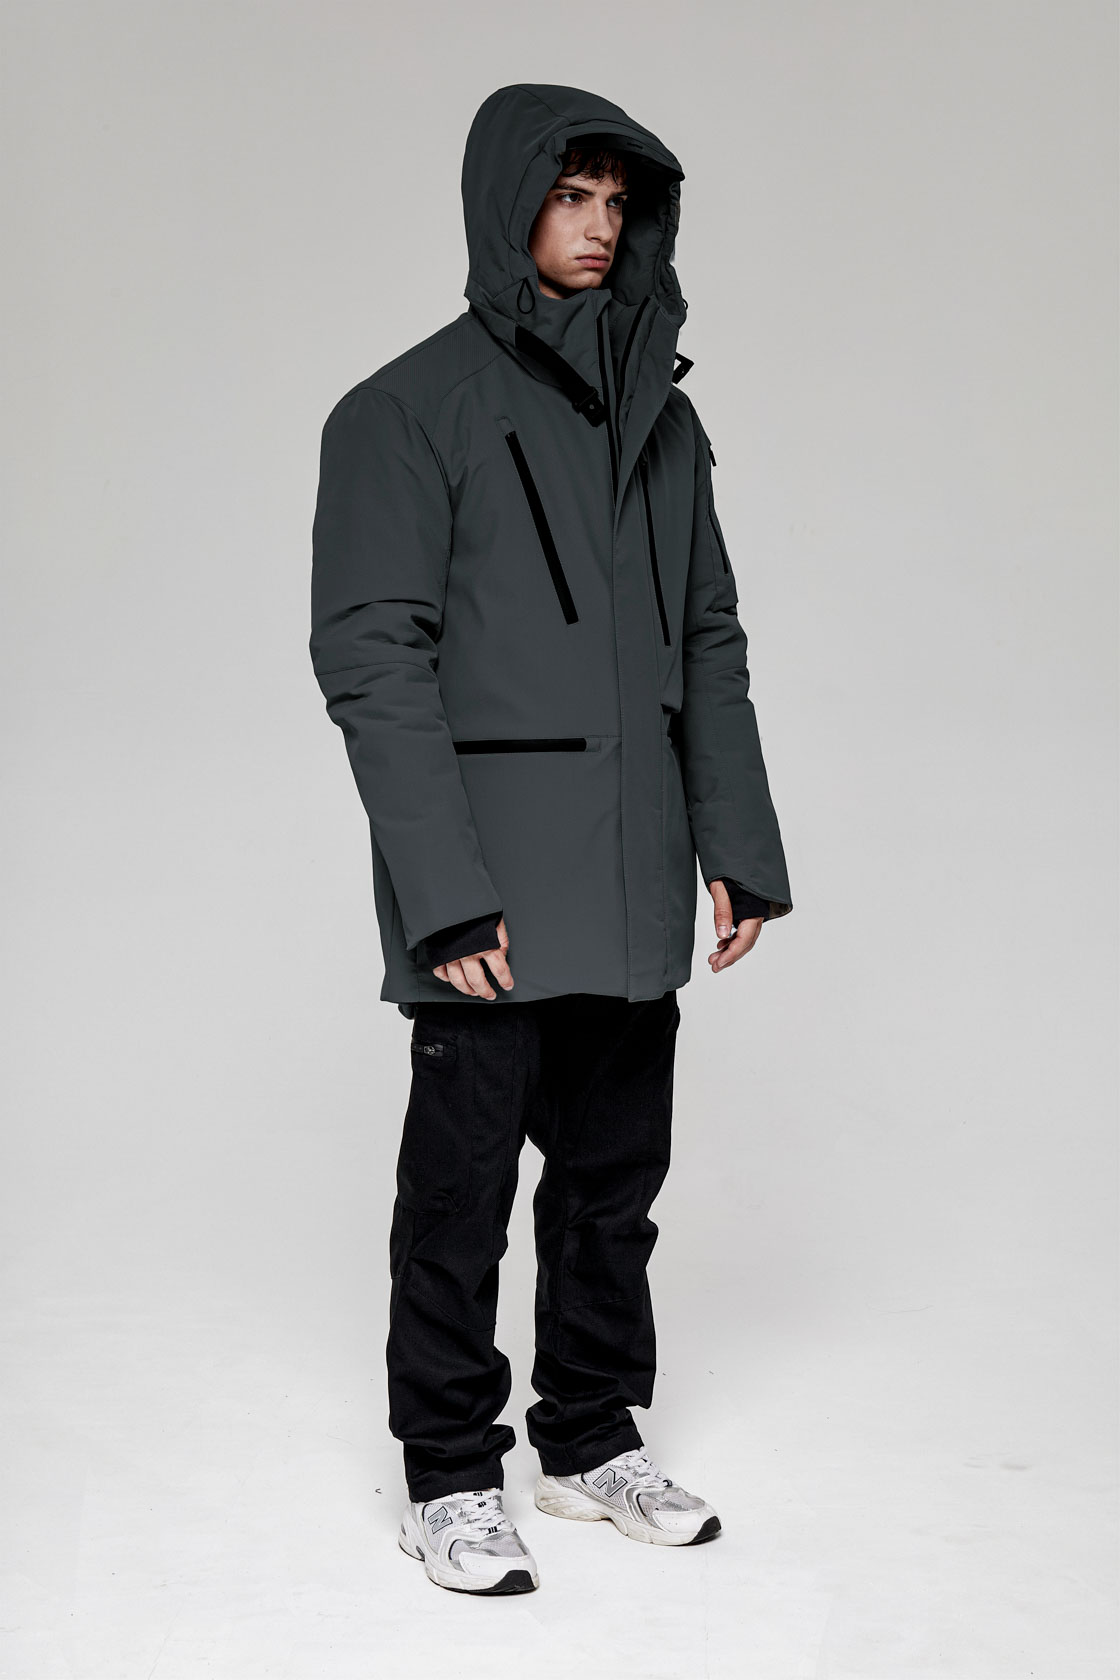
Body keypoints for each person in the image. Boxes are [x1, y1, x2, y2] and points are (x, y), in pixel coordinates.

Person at [309, 82, 793, 1596]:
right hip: (495, 888)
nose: (596, 226)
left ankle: (587, 1440)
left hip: (635, 875)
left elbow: (707, 638)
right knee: (460, 1199)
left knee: (611, 1187)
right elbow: (372, 660)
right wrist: (444, 896)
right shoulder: (404, 410)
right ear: (506, 203)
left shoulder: (666, 418)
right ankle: (449, 1473)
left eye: (615, 201)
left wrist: (737, 843)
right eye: (570, 195)